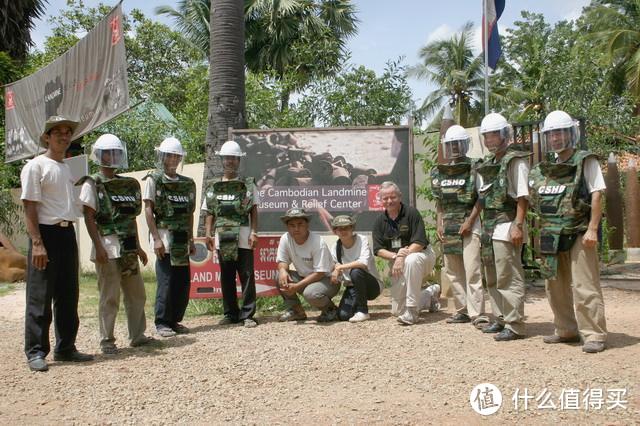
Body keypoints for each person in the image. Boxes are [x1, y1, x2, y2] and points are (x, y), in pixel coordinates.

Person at [529, 110, 607, 353]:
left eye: (561, 132)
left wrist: (593, 228)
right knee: (555, 286)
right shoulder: (543, 169)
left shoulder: (586, 160)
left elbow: (597, 193)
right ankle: (566, 330)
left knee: (585, 285)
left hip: (579, 231)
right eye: (552, 134)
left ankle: (594, 334)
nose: (556, 138)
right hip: (552, 234)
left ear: (570, 133)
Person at [20, 116, 94, 372]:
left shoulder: (65, 168)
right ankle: (36, 351)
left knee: (68, 293)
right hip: (46, 233)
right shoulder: (35, 166)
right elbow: (30, 205)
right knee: (40, 295)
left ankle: (66, 347)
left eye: (67, 132)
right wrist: (37, 243)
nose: (64, 136)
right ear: (47, 137)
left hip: (66, 233)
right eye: (58, 132)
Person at [78, 134, 152, 354]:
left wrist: (138, 246)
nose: (112, 156)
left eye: (116, 152)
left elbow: (130, 218)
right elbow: (89, 217)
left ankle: (138, 335)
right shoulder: (92, 183)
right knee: (109, 295)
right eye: (108, 152)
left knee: (136, 293)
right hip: (107, 246)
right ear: (99, 155)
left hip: (128, 247)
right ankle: (107, 340)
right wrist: (98, 247)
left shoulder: (128, 184)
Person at [476, 113, 530, 341]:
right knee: (492, 277)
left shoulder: (515, 160)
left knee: (509, 276)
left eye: (493, 135)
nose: (489, 140)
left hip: (507, 226)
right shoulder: (489, 164)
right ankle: (499, 319)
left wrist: (517, 225)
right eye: (486, 136)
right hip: (489, 228)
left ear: (504, 135)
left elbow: (522, 196)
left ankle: (515, 324)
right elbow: (482, 198)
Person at [431, 125, 485, 325]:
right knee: (453, 271)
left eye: (457, 144)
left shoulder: (475, 168)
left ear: (465, 145)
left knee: (472, 269)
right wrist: (439, 224)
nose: (454, 148)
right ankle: (461, 310)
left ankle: (476, 313)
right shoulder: (438, 172)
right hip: (449, 224)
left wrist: (470, 221)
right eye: (451, 144)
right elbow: (439, 202)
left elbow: (482, 198)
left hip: (470, 223)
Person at [143, 137, 196, 338]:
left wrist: (191, 239)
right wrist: (156, 238)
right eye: (169, 155)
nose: (173, 159)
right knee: (165, 280)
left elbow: (189, 213)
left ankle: (175, 320)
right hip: (165, 237)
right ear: (162, 157)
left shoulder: (187, 183)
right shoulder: (154, 180)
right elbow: (148, 210)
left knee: (182, 282)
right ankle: (162, 321)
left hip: (183, 238)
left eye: (176, 156)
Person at [203, 141, 259, 328]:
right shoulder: (213, 186)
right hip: (223, 238)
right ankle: (230, 313)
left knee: (247, 275)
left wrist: (254, 232)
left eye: (234, 158)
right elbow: (209, 212)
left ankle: (248, 315)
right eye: (227, 158)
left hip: (243, 237)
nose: (230, 161)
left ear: (239, 160)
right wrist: (208, 234)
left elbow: (253, 210)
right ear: (222, 160)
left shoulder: (248, 185)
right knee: (226, 276)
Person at [372, 181, 436, 325]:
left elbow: (419, 243)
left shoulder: (411, 213)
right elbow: (378, 249)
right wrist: (396, 256)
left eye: (393, 197)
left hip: (422, 256)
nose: (389, 201)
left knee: (411, 260)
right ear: (381, 200)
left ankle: (412, 311)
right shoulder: (379, 221)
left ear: (400, 197)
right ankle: (429, 294)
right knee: (397, 311)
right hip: (397, 262)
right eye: (385, 198)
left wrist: (402, 256)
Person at [276, 208, 337, 322]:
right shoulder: (285, 238)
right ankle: (297, 311)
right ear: (287, 227)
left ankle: (331, 309)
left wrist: (296, 287)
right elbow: (282, 261)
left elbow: (320, 273)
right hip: (305, 278)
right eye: (292, 225)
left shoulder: (317, 242)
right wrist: (283, 271)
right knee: (279, 276)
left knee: (311, 293)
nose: (296, 228)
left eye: (300, 224)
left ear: (307, 225)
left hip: (327, 280)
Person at [329, 215, 382, 322]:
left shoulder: (362, 240)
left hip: (372, 286)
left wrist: (339, 267)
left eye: (347, 227)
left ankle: (363, 311)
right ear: (335, 231)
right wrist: (335, 272)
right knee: (343, 316)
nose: (343, 231)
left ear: (352, 228)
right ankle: (353, 308)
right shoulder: (335, 247)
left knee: (356, 271)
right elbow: (335, 267)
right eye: (340, 228)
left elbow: (363, 263)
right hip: (352, 287)